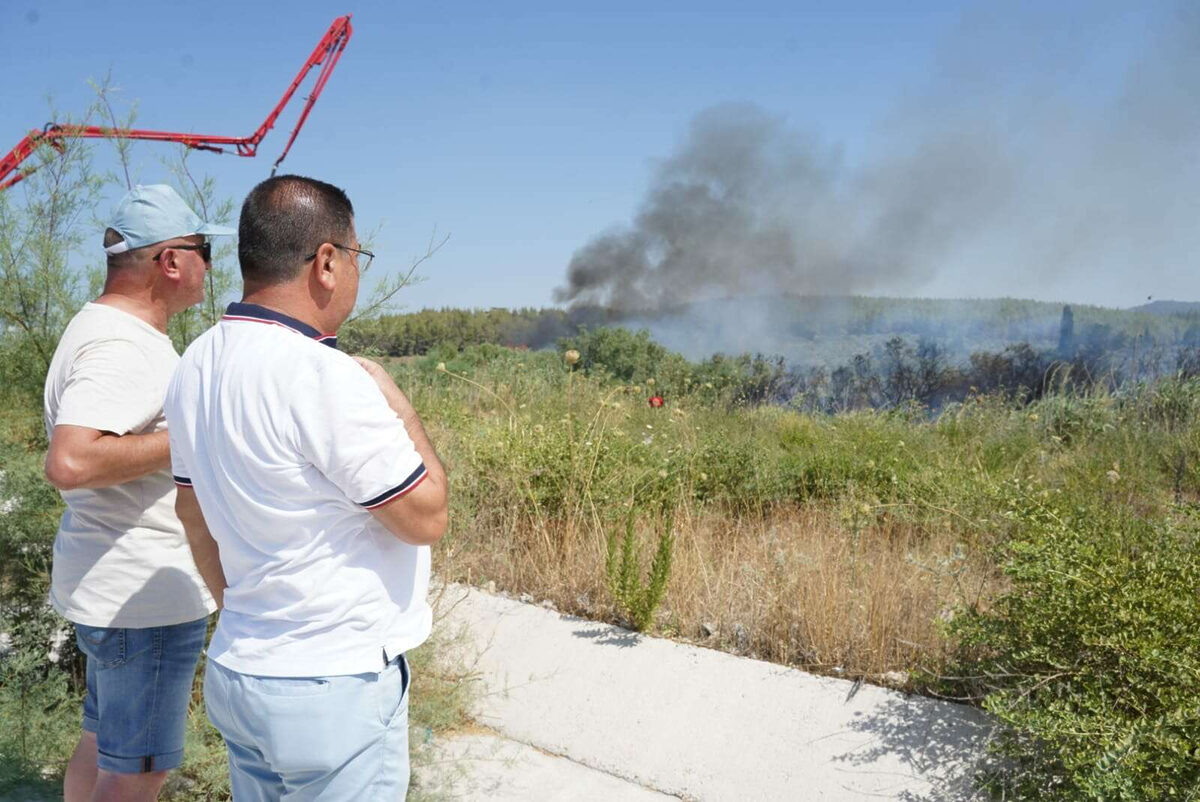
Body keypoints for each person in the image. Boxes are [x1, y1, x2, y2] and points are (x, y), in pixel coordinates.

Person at [164, 174, 449, 800]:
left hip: (241, 671)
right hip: (332, 685)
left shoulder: (195, 365)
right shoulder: (323, 374)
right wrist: (400, 408)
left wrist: (242, 611)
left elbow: (190, 511)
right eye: (357, 257)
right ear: (326, 261)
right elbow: (426, 515)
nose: (355, 273)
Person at [43, 184, 234, 801]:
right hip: (141, 598)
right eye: (204, 249)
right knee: (139, 770)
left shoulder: (108, 330)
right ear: (172, 260)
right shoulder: (122, 344)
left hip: (114, 587)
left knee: (104, 746)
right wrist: (196, 437)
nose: (211, 264)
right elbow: (72, 460)